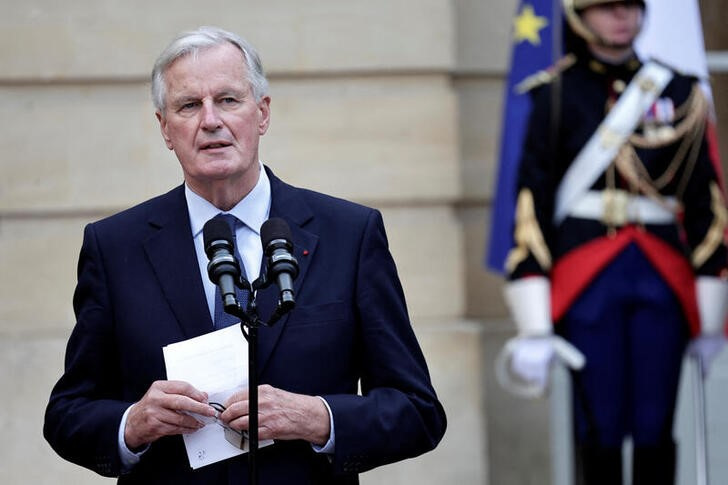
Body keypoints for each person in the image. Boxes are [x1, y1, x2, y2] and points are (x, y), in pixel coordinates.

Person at [43, 26, 446, 484]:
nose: (210, 120)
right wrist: (132, 425)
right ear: (165, 128)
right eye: (189, 105)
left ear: (262, 113)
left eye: (229, 100)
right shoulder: (115, 246)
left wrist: (318, 418)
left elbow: (418, 411)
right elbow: (67, 414)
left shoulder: (348, 234)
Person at [499, 1, 728, 484]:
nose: (621, 17)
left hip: (663, 276)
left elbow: (707, 206)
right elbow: (530, 207)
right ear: (581, 17)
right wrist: (534, 321)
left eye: (630, 6)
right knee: (599, 425)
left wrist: (711, 308)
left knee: (653, 424)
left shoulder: (681, 92)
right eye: (606, 7)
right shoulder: (556, 94)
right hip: (587, 279)